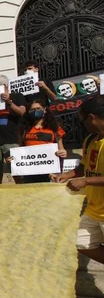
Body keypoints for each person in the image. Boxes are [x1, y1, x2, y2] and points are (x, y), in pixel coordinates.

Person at [52, 97, 104, 265]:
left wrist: (86, 181)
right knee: (80, 242)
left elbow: (86, 177)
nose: (82, 125)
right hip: (94, 208)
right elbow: (84, 166)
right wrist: (67, 175)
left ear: (91, 118)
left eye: (82, 120)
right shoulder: (90, 140)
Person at [12, 98, 67, 183]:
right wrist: (14, 158)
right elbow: (20, 149)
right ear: (28, 112)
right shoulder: (23, 129)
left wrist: (63, 152)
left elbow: (61, 149)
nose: (35, 111)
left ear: (45, 110)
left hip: (51, 172)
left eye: (38, 109)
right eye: (32, 109)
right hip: (30, 171)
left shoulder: (55, 128)